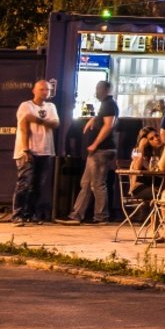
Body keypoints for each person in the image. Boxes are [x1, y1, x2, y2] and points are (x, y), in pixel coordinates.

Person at [64, 80, 120, 225]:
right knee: (86, 183)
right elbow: (105, 120)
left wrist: (95, 144)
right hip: (98, 150)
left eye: (98, 88)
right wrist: (94, 119)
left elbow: (108, 126)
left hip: (102, 150)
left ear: (105, 89)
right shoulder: (106, 105)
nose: (96, 91)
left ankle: (101, 217)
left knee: (97, 184)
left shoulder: (108, 104)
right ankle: (76, 215)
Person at [10, 79, 59, 223]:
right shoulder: (26, 106)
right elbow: (24, 128)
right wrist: (25, 149)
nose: (45, 92)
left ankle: (29, 214)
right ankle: (17, 214)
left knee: (37, 186)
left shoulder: (51, 106)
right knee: (24, 183)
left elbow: (56, 123)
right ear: (34, 90)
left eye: (48, 90)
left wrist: (37, 120)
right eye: (42, 89)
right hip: (28, 150)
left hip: (45, 150)